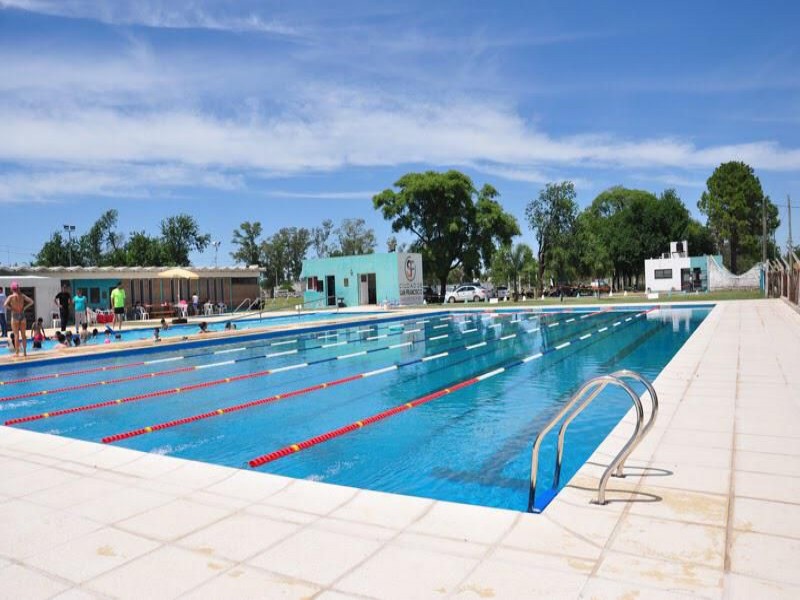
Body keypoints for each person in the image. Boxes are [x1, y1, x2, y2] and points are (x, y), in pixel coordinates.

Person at [4, 282, 34, 358]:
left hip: (15, 315)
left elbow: (5, 305)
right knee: (23, 335)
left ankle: (17, 353)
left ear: (12, 289)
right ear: (18, 288)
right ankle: (25, 352)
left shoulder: (11, 297)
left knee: (16, 335)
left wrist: (12, 308)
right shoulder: (22, 296)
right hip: (22, 315)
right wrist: (24, 307)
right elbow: (31, 301)